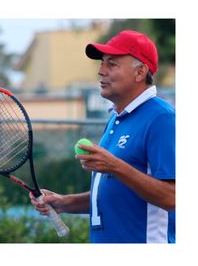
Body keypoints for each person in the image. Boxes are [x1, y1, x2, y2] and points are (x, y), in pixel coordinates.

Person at [30, 30, 175, 243]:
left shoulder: (161, 118)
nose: (101, 71)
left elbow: (173, 197)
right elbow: (116, 194)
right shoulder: (117, 118)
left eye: (112, 64)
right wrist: (65, 202)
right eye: (102, 63)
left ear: (140, 72)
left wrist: (114, 166)